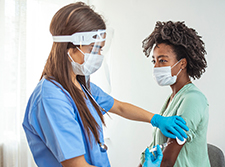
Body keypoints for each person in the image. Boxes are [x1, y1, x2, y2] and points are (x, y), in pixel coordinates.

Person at [22, 2, 189, 167]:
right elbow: (78, 165)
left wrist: (157, 120)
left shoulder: (80, 86)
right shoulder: (51, 98)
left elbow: (120, 107)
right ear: (70, 48)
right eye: (94, 50)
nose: (99, 55)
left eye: (101, 49)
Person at [139, 21, 210, 167]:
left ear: (182, 64)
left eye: (162, 61)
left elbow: (166, 161)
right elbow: (153, 150)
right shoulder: (172, 99)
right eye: (154, 61)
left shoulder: (193, 99)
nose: (156, 67)